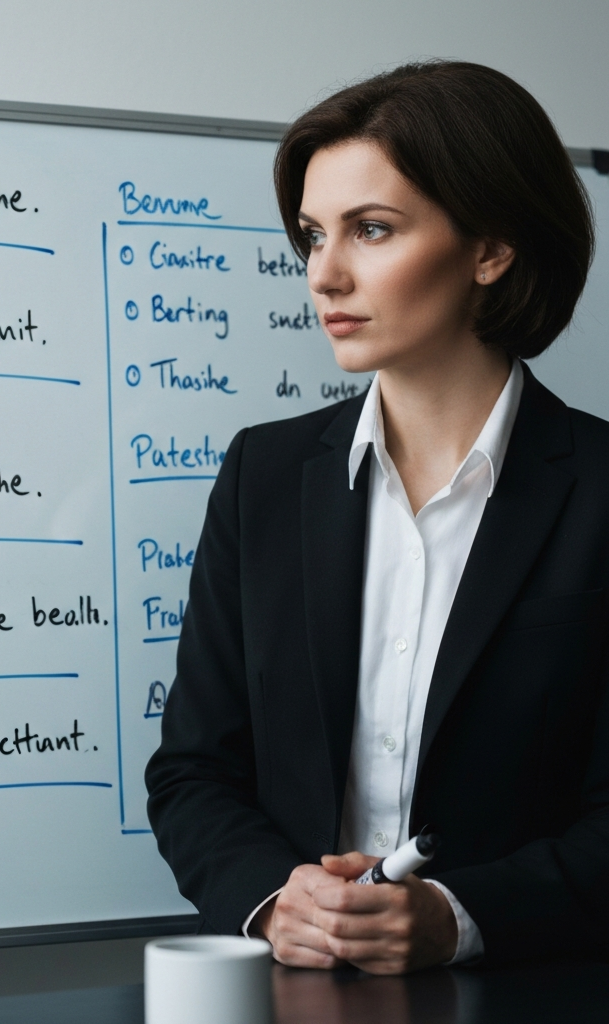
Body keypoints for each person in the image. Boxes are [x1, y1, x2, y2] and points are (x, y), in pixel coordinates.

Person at [145, 61, 606, 974]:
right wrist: (275, 900)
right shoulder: (262, 476)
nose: (325, 274)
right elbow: (194, 770)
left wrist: (458, 916)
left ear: (491, 249)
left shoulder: (597, 489)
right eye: (314, 235)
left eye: (372, 229)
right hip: (296, 992)